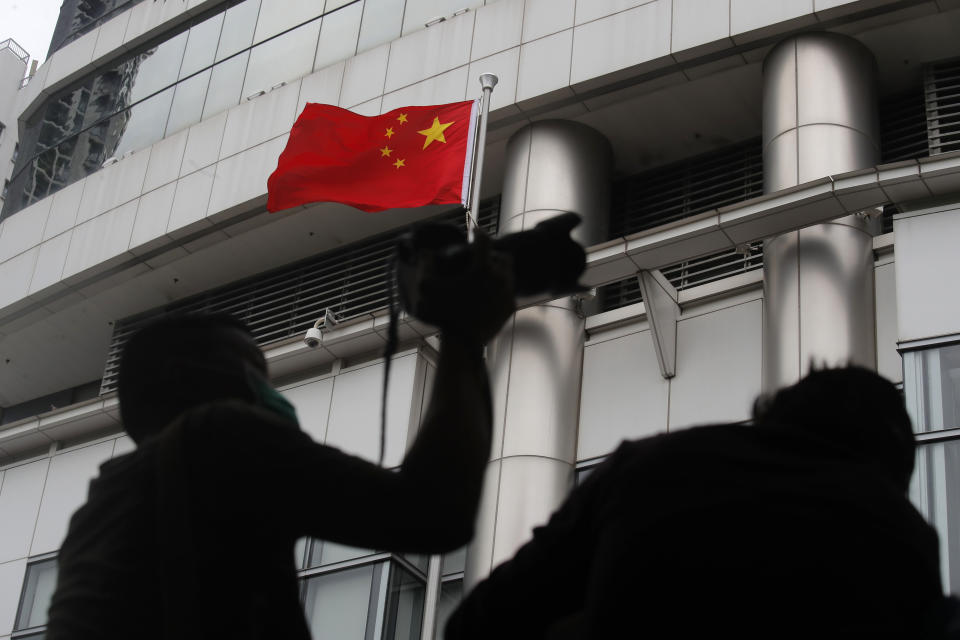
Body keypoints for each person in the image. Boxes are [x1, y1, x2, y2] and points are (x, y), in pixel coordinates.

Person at [46, 240, 515, 640]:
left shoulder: (101, 506)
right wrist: (464, 334)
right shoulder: (217, 436)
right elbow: (431, 516)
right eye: (256, 374)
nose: (269, 393)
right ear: (199, 382)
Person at [445, 366, 952, 639]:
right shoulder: (902, 536)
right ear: (889, 467)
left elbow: (477, 625)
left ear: (774, 414)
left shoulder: (646, 468)